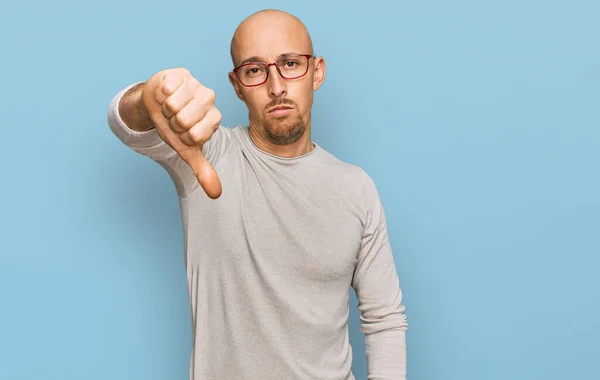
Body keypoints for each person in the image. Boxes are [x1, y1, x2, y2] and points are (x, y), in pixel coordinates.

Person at [107, 8, 408, 380]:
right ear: (236, 85)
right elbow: (127, 124)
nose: (276, 86)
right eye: (255, 70)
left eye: (290, 63)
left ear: (317, 72)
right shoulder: (205, 155)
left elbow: (385, 321)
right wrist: (148, 97)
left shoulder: (355, 187)